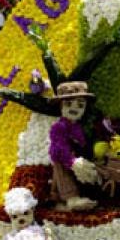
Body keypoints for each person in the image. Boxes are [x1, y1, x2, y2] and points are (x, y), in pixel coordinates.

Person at [49, 81, 100, 211]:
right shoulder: (59, 127)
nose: (74, 108)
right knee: (58, 160)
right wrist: (72, 162)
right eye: (68, 104)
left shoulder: (78, 128)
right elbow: (57, 149)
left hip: (79, 173)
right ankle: (71, 198)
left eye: (80, 105)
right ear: (61, 106)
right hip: (65, 171)